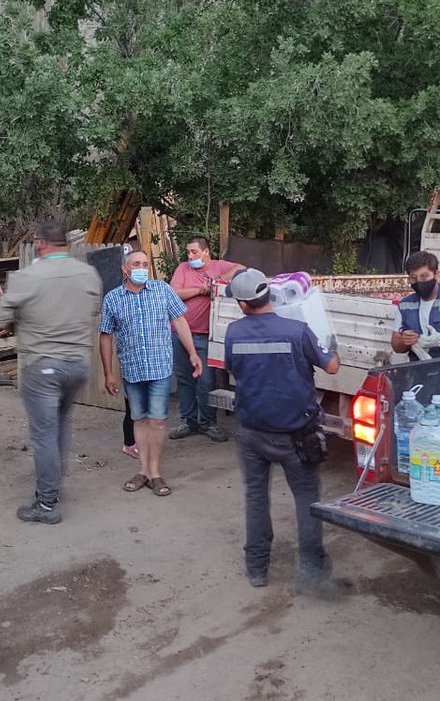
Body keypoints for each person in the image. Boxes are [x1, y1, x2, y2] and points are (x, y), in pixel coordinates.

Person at [224, 268, 342, 594]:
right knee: (306, 498)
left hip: (252, 432)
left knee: (256, 498)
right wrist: (331, 342)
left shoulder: (234, 333)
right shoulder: (298, 330)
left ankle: (257, 569)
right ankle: (311, 571)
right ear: (268, 296)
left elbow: (233, 369)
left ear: (244, 304)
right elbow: (332, 366)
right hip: (297, 435)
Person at [0, 219, 102, 525]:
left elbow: (0, 317)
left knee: (43, 435)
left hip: (43, 367)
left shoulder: (28, 277)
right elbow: (92, 309)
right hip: (78, 364)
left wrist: (20, 315)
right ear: (65, 243)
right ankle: (53, 485)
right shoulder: (87, 273)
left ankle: (47, 504)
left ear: (40, 243)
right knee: (60, 425)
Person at [100, 250, 203, 497]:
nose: (142, 268)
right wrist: (108, 373)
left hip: (159, 368)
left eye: (145, 264)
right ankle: (143, 471)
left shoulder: (162, 290)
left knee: (157, 420)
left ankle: (155, 473)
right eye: (137, 264)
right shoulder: (113, 298)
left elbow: (179, 321)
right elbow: (105, 335)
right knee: (139, 419)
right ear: (126, 269)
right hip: (132, 369)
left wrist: (192, 353)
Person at [168, 236, 244, 442]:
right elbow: (174, 294)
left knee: (205, 381)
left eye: (194, 252)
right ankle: (188, 421)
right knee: (184, 380)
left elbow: (241, 268)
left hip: (204, 336)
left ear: (206, 252)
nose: (190, 256)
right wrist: (201, 290)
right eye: (188, 252)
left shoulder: (219, 267)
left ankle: (208, 423)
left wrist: (218, 282)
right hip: (179, 334)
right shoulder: (183, 268)